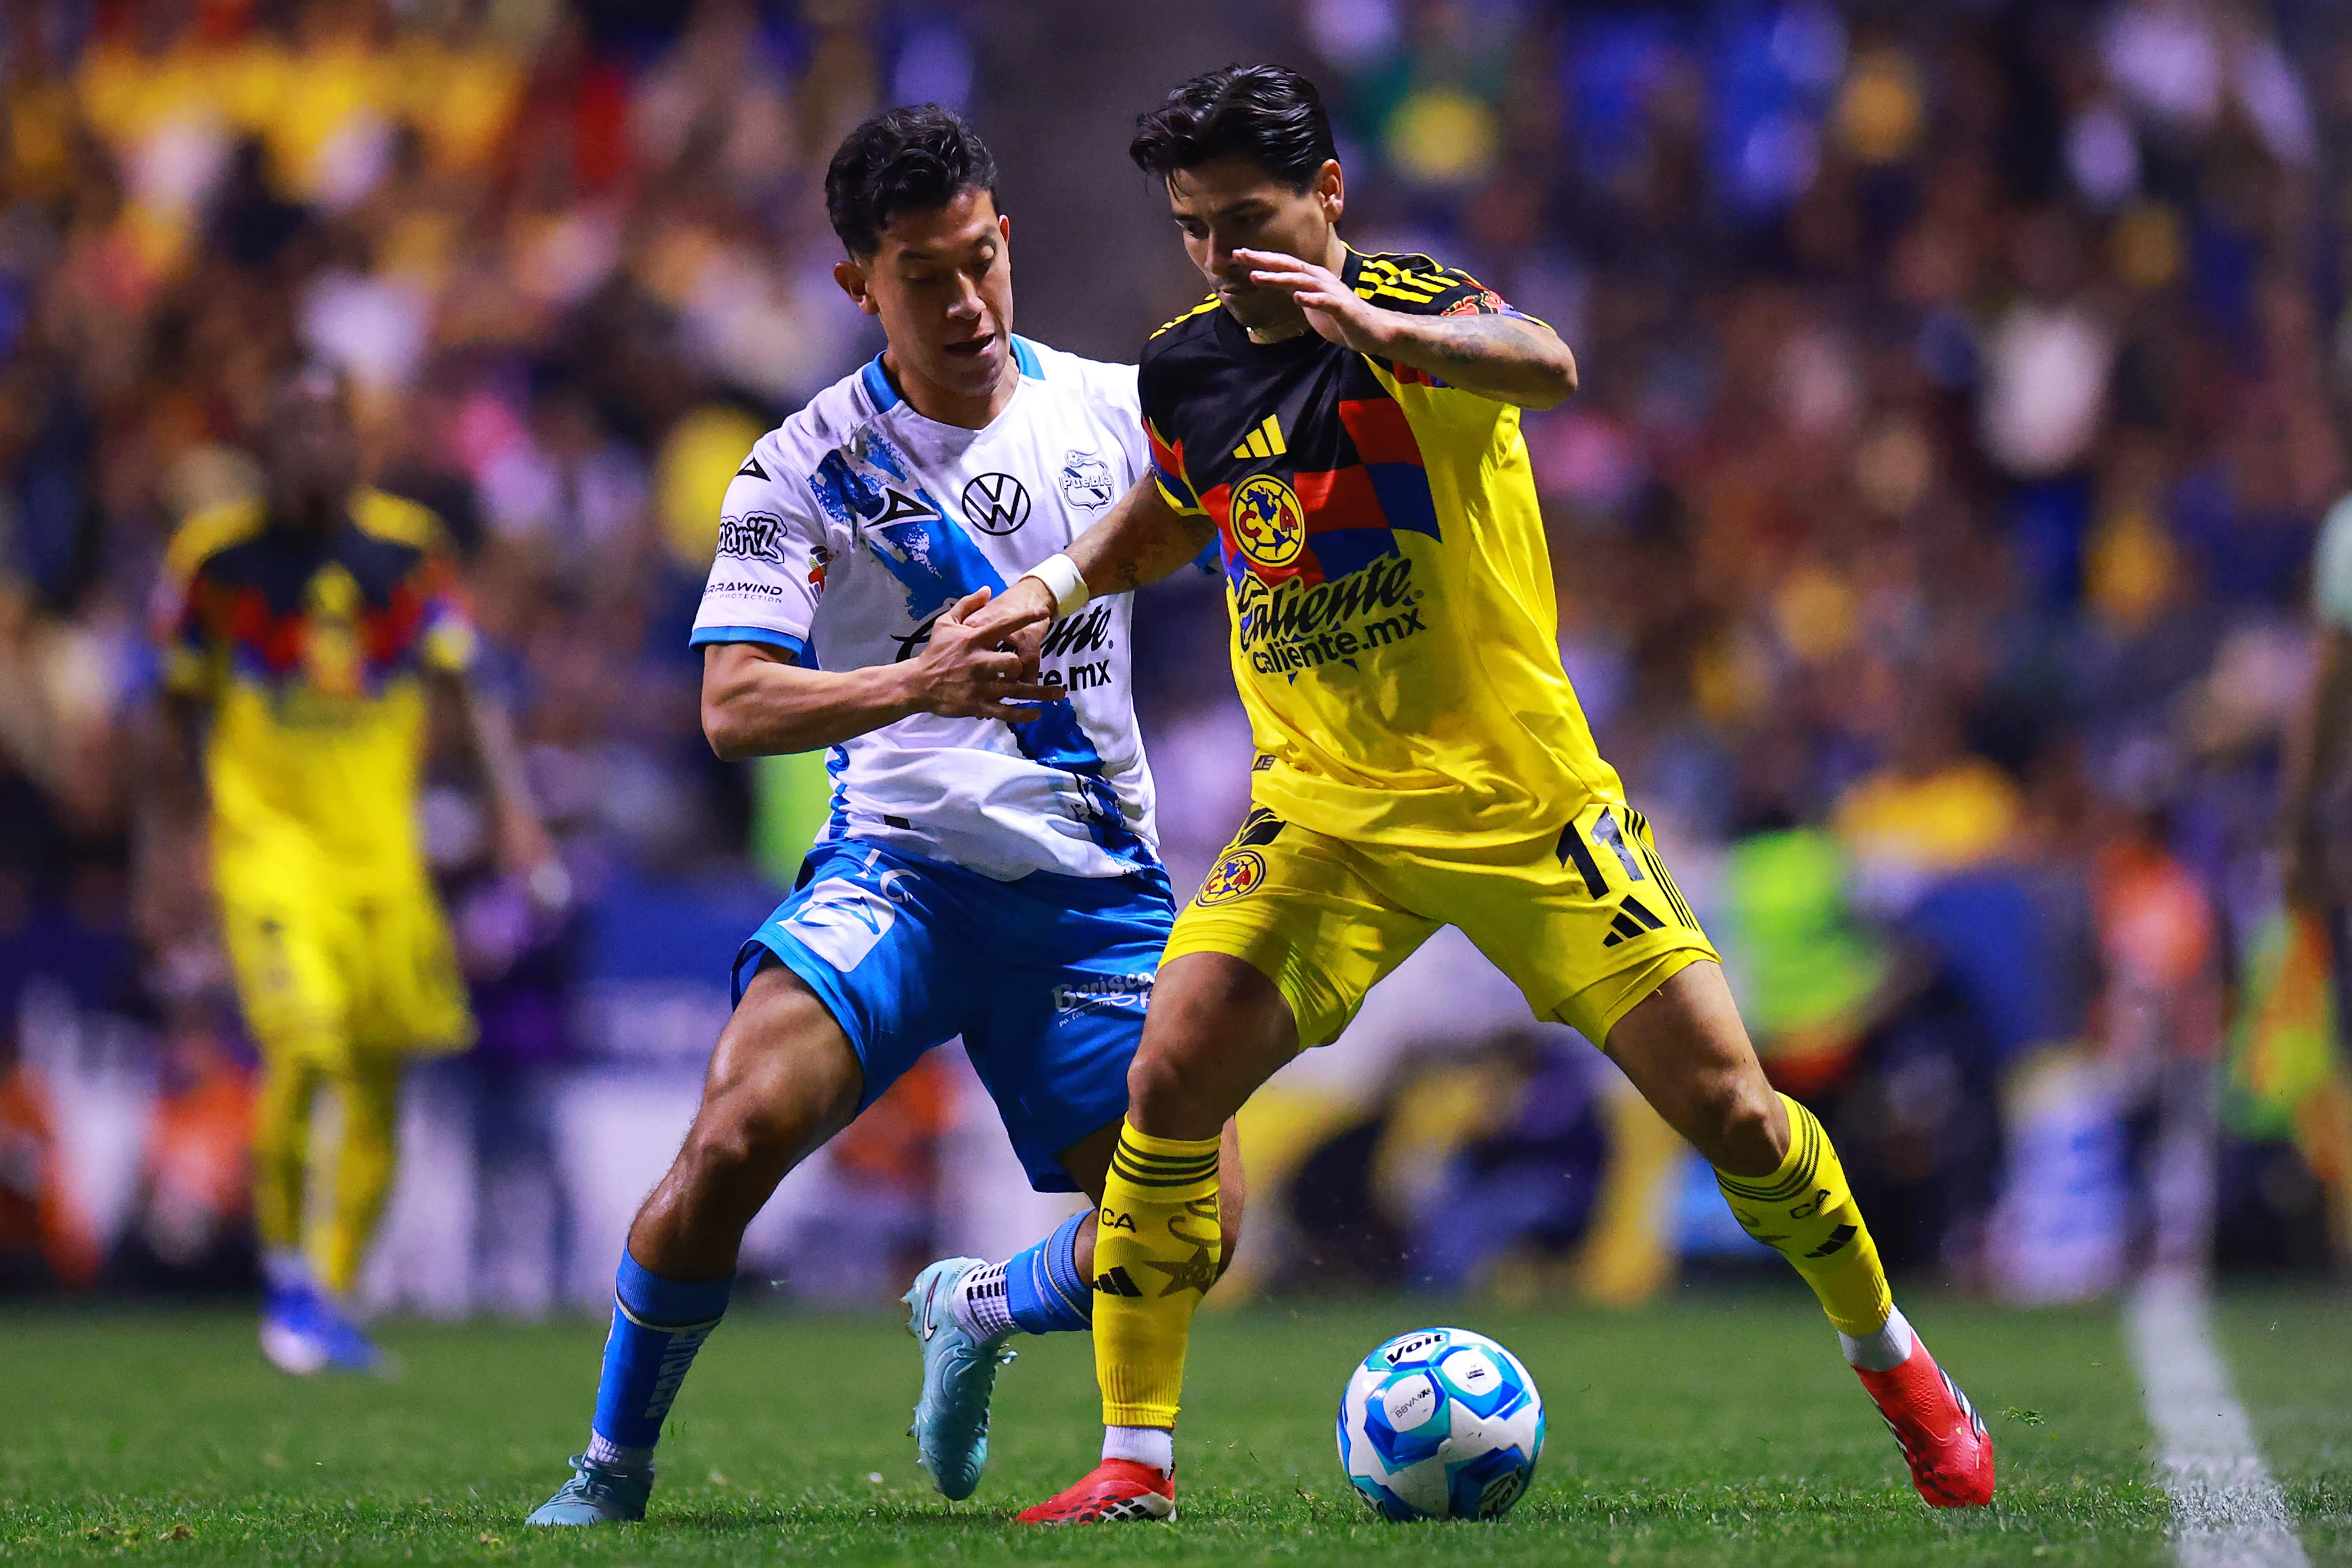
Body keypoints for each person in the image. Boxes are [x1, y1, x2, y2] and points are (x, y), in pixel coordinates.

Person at [967, 64, 1996, 1524]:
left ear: (1327, 193)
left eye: (1245, 219)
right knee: (1169, 1072)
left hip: (1522, 807)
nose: (1218, 254)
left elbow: (1545, 363)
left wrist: (1387, 335)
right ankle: (1136, 1462)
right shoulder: (1187, 365)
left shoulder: (1418, 311)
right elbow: (1183, 503)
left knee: (1738, 1116)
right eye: (1192, 226)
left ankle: (1900, 1370)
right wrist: (1058, 581)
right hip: (1325, 814)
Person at [523, 105, 1242, 1527]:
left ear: (1006, 237)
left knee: (1196, 1228)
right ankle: (610, 1467)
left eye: (981, 260)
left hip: (1091, 892)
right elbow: (733, 704)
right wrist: (918, 681)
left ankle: (977, 1304)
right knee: (731, 1138)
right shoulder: (801, 468)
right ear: (860, 282)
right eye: (924, 275)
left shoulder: (1118, 410)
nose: (966, 301)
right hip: (900, 876)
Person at [151, 365, 557, 1374]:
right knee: (306, 1044)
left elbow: (467, 687)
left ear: (356, 440)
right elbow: (169, 714)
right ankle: (287, 1279)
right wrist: (160, 859)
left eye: (329, 426)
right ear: (265, 443)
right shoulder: (216, 559)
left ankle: (329, 1298)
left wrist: (512, 812)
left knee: (379, 1075)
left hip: (385, 860)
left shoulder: (408, 550)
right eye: (294, 428)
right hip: (269, 851)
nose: (313, 447)